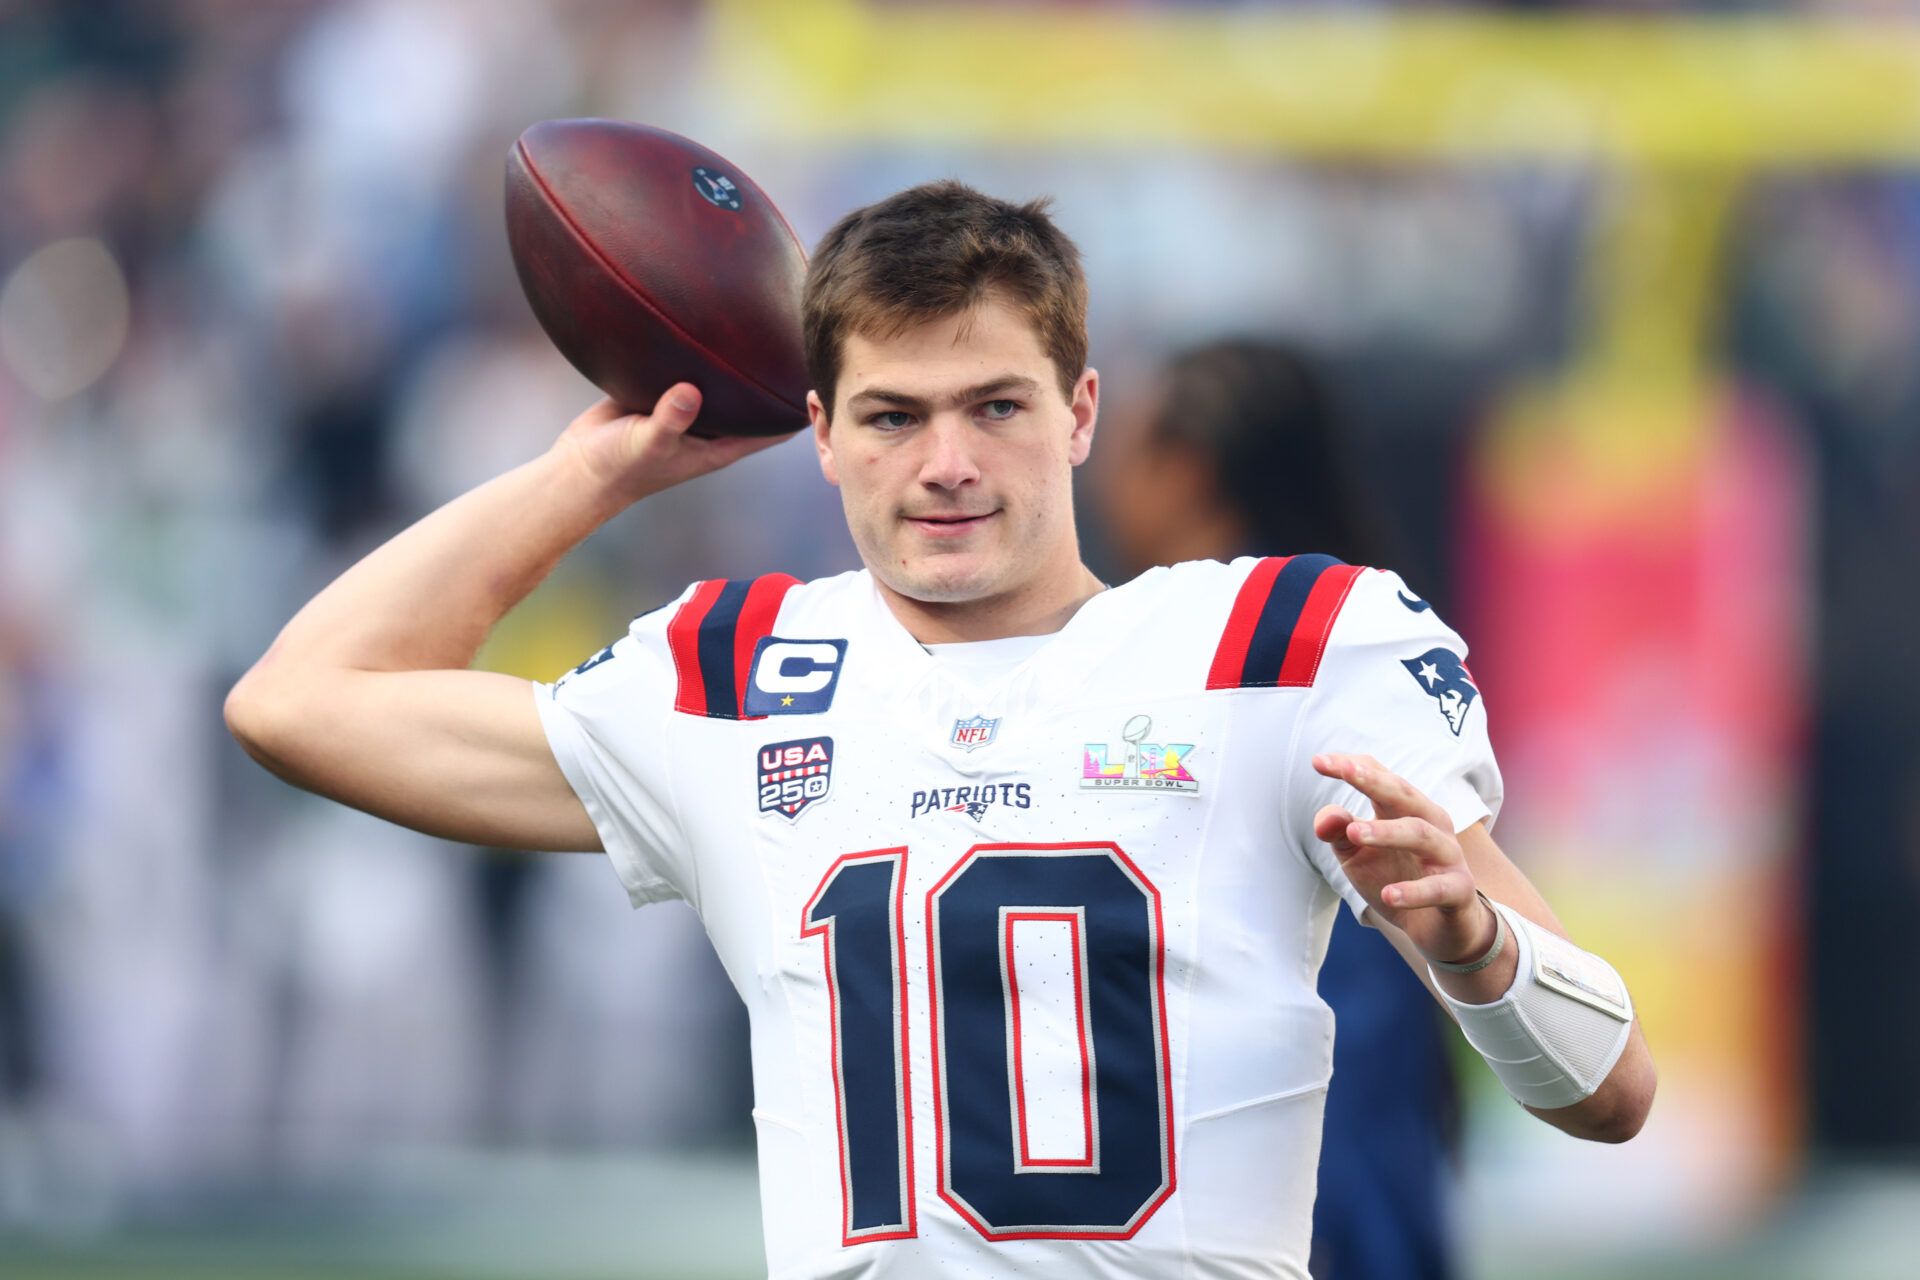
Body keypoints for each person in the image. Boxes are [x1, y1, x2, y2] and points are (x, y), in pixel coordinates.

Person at [225, 180, 1655, 1279]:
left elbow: (1612, 1090)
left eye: (997, 406)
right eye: (895, 416)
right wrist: (588, 477)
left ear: (1083, 411)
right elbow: (300, 704)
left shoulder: (1277, 646)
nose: (950, 464)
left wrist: (1475, 946)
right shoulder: (737, 672)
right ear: (823, 430)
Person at [1096, 341, 1460, 1280]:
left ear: (1186, 472)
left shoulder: (1254, 696)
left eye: (1126, 446)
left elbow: (1344, 1045)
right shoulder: (1349, 659)